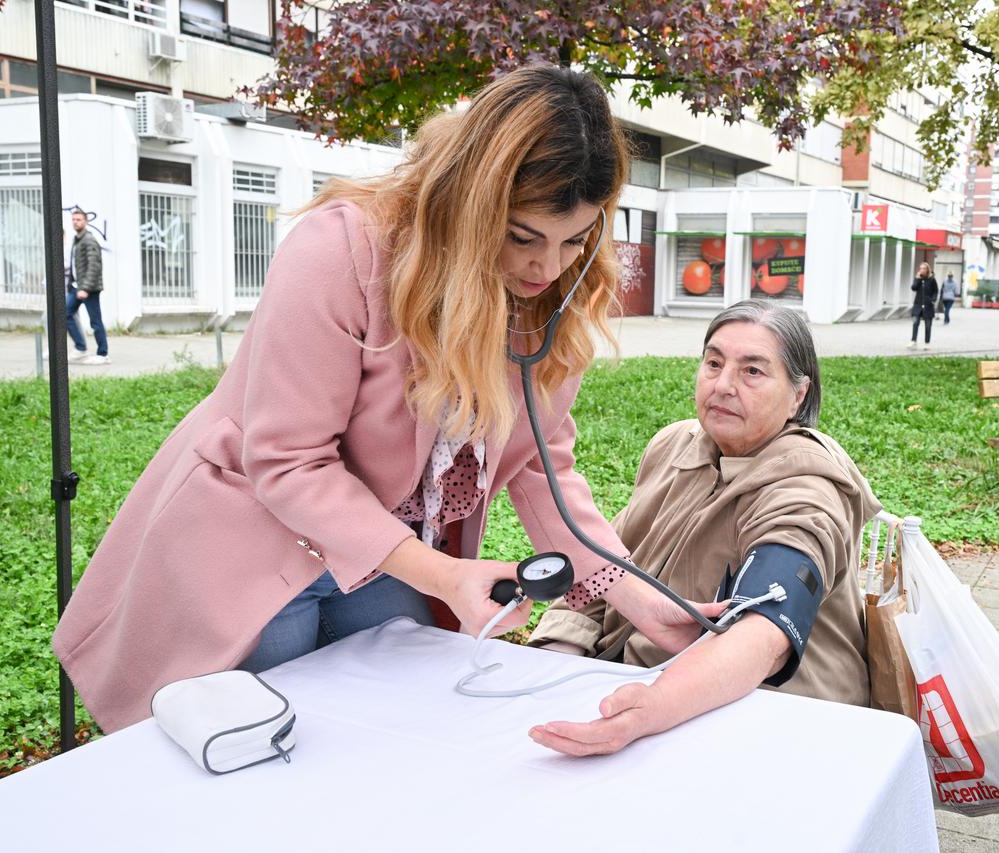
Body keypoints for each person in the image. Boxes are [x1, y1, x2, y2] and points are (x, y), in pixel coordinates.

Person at [52, 66, 717, 733]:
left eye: (575, 239)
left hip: (382, 556)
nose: (546, 268)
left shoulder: (552, 298)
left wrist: (639, 599)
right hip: (257, 540)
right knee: (253, 754)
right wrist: (438, 572)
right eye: (522, 237)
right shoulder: (344, 249)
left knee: (386, 736)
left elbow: (542, 466)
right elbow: (288, 461)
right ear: (471, 202)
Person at [527, 301, 880, 756]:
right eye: (713, 363)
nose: (723, 385)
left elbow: (767, 632)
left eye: (753, 371)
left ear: (798, 394)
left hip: (776, 719)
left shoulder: (807, 489)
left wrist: (654, 706)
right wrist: (559, 651)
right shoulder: (675, 445)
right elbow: (604, 565)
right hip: (632, 686)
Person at [65, 208, 109, 365]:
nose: (75, 222)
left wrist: (85, 288)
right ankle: (81, 348)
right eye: (73, 219)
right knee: (66, 314)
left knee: (95, 321)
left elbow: (94, 266)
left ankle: (103, 354)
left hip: (88, 289)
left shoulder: (88, 240)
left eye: (78, 219)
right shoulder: (77, 239)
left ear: (86, 221)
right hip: (77, 287)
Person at [908, 262, 939, 349]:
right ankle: (913, 341)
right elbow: (913, 288)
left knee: (928, 325)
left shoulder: (932, 279)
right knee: (915, 323)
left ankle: (927, 343)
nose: (921, 270)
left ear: (927, 270)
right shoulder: (918, 278)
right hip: (917, 305)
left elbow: (936, 291)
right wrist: (917, 279)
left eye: (923, 268)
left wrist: (933, 300)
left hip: (928, 305)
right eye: (920, 268)